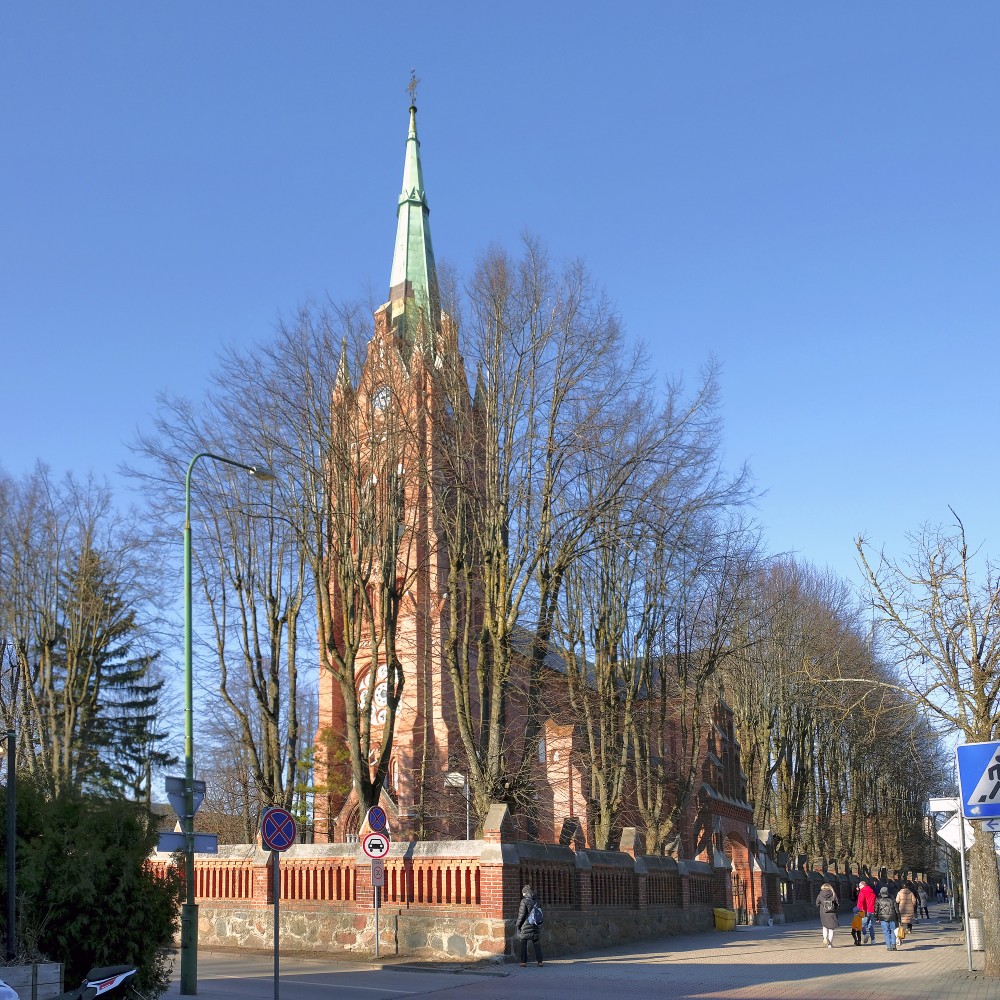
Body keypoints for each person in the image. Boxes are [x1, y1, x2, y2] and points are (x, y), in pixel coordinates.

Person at [516, 884, 544, 967]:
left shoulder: (524, 901)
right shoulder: (537, 901)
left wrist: (518, 925)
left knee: (523, 942)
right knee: (536, 943)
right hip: (535, 923)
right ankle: (540, 962)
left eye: (523, 893)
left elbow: (522, 915)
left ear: (525, 892)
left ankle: (523, 962)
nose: (522, 894)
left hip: (525, 925)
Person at [875, 886, 900, 951]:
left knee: (886, 932)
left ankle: (889, 946)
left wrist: (876, 918)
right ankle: (894, 945)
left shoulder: (878, 900)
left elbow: (876, 910)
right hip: (892, 917)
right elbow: (897, 910)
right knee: (893, 931)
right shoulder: (892, 900)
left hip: (883, 918)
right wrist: (899, 918)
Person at [816, 881, 839, 948]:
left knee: (825, 926)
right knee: (831, 928)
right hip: (832, 913)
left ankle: (825, 938)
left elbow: (817, 903)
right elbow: (837, 904)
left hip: (823, 913)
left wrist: (821, 906)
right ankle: (830, 943)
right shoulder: (833, 894)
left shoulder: (820, 895)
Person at [856, 879, 877, 944]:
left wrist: (857, 909)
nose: (859, 888)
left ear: (862, 885)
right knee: (870, 925)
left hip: (864, 911)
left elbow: (860, 901)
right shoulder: (872, 892)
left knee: (861, 925)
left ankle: (865, 934)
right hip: (872, 910)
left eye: (859, 886)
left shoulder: (862, 892)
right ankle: (873, 940)